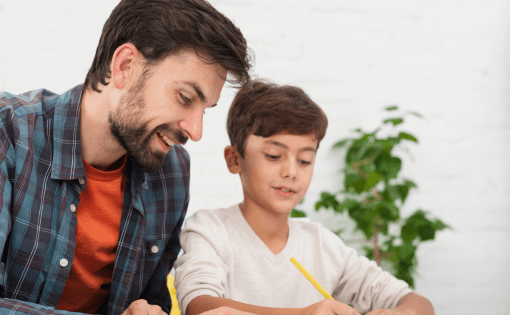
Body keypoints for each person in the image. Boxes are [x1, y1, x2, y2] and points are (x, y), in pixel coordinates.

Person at [0, 0, 251, 314]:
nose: (195, 131)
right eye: (184, 97)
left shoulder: (171, 172)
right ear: (125, 67)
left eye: (205, 110)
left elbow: (149, 301)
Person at [174, 79, 436, 315]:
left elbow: (418, 303)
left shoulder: (322, 245)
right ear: (235, 160)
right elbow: (199, 306)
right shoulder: (210, 230)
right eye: (274, 156)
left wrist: (402, 313)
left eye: (305, 160)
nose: (291, 172)